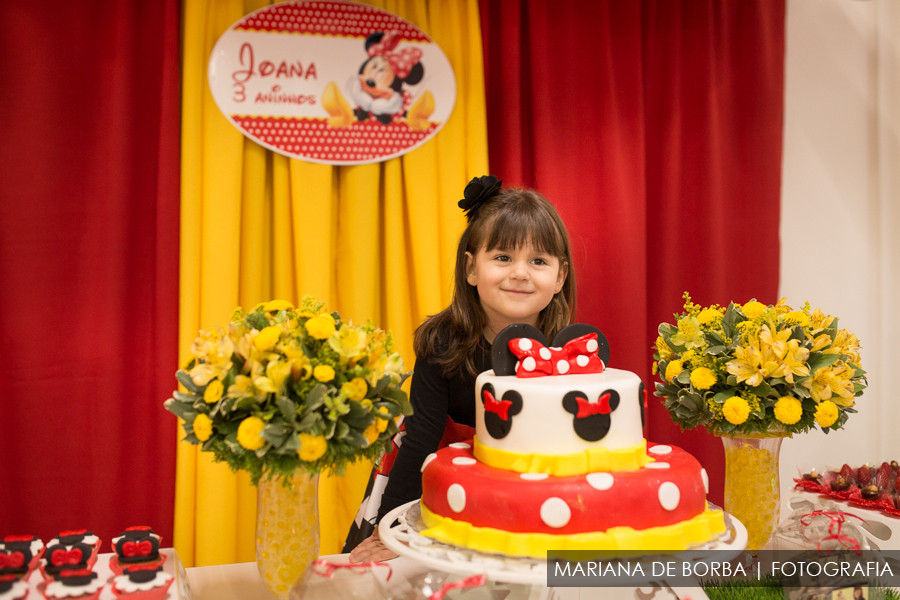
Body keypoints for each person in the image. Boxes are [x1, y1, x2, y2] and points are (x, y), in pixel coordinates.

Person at [346, 175, 576, 562]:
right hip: (431, 480)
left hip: (530, 492)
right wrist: (393, 531)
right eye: (503, 258)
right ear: (471, 269)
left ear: (560, 277)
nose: (520, 272)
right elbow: (420, 437)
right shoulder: (443, 342)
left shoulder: (569, 354)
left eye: (538, 261)